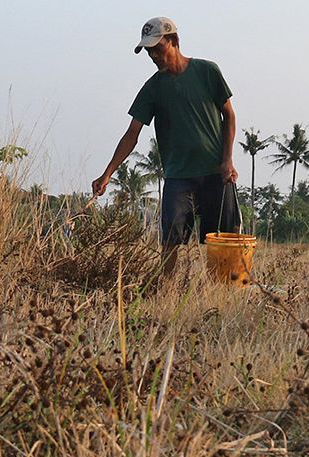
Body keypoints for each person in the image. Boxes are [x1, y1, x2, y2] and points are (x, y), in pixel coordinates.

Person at [92, 16, 239, 278]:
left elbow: (229, 115)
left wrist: (227, 160)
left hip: (215, 173)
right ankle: (166, 291)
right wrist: (107, 174)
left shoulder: (207, 72)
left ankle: (224, 293)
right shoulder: (152, 89)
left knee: (221, 239)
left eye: (157, 48)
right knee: (171, 240)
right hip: (178, 177)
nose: (154, 56)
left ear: (173, 42)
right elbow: (132, 134)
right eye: (149, 52)